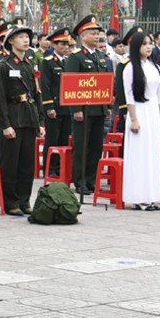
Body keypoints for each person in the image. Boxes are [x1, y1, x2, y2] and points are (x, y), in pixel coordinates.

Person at [0, 22, 44, 215]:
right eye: (21, 37)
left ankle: (24, 200)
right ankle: (10, 202)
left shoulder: (29, 64)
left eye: (27, 37)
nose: (26, 40)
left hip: (29, 118)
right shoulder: (4, 65)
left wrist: (40, 121)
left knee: (27, 163)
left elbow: (37, 93)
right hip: (13, 118)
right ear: (11, 41)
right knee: (10, 163)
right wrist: (5, 125)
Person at [65, 15, 111, 194]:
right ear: (82, 36)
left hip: (98, 108)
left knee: (96, 146)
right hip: (82, 110)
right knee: (81, 146)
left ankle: (91, 179)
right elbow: (70, 84)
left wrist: (106, 106)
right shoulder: (76, 57)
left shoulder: (100, 56)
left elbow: (105, 83)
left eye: (98, 33)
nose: (96, 36)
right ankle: (80, 180)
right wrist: (76, 109)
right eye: (92, 33)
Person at [123, 31, 160, 211]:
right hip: (139, 112)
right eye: (145, 44)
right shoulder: (130, 68)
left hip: (153, 112)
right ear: (136, 47)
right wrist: (134, 120)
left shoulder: (155, 67)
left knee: (153, 154)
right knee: (140, 155)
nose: (149, 47)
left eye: (150, 43)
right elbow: (129, 96)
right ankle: (138, 197)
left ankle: (152, 195)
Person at [40, 27, 73, 180]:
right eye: (62, 44)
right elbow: (45, 86)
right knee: (52, 140)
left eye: (67, 44)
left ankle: (60, 167)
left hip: (67, 108)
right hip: (54, 106)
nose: (65, 47)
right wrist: (48, 107)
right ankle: (50, 168)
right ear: (54, 45)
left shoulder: (69, 62)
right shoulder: (47, 62)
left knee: (64, 140)